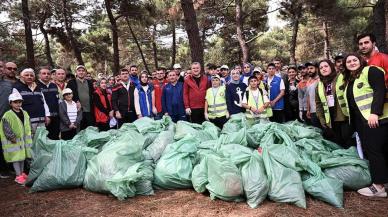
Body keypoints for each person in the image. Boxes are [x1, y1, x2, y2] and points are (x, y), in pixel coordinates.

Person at [343, 53, 388, 197]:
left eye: (354, 60)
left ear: (361, 60)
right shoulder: (351, 79)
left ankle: (379, 187)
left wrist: (375, 113)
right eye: (348, 61)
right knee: (373, 151)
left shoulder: (371, 70)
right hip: (362, 121)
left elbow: (380, 90)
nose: (351, 62)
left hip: (376, 119)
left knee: (375, 151)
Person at [315, 60, 352, 148]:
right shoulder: (319, 84)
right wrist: (321, 118)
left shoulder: (342, 77)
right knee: (337, 142)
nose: (323, 69)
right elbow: (318, 103)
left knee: (348, 140)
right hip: (330, 117)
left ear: (331, 67)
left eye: (326, 66)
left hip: (344, 115)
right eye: (321, 68)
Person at [0, 92, 33, 185]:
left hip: (23, 141)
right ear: (10, 103)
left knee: (22, 158)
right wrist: (11, 137)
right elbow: (6, 127)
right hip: (14, 141)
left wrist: (31, 133)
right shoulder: (8, 115)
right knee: (16, 159)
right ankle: (18, 176)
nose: (18, 104)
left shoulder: (24, 113)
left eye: (19, 102)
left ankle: (22, 174)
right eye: (15, 102)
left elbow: (28, 124)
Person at [13, 68, 50, 136]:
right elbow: (16, 106)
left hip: (41, 119)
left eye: (31, 75)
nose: (29, 77)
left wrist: (47, 115)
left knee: (42, 139)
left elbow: (44, 102)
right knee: (30, 140)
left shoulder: (37, 87)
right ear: (21, 77)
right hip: (28, 120)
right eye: (27, 75)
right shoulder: (17, 87)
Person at [67, 65, 95, 130]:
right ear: (76, 72)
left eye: (83, 71)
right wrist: (76, 101)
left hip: (89, 110)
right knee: (80, 130)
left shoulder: (89, 82)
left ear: (85, 72)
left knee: (90, 128)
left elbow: (93, 94)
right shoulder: (71, 82)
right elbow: (67, 95)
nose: (81, 72)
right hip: (78, 111)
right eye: (79, 71)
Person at [37, 67, 60, 140]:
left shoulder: (54, 85)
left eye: (48, 74)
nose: (46, 75)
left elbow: (57, 99)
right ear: (39, 75)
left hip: (56, 116)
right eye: (44, 73)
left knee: (55, 136)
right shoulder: (36, 86)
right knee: (45, 138)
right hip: (45, 117)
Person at [0, 67, 13, 178]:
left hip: (6, 120)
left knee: (7, 144)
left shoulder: (8, 84)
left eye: (1, 67)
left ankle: (6, 168)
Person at [305, 62, 320, 128]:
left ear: (316, 69)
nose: (309, 70)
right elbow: (308, 96)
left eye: (311, 68)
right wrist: (308, 110)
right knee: (317, 130)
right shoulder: (308, 81)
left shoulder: (320, 79)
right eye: (308, 69)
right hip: (312, 111)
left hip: (320, 110)